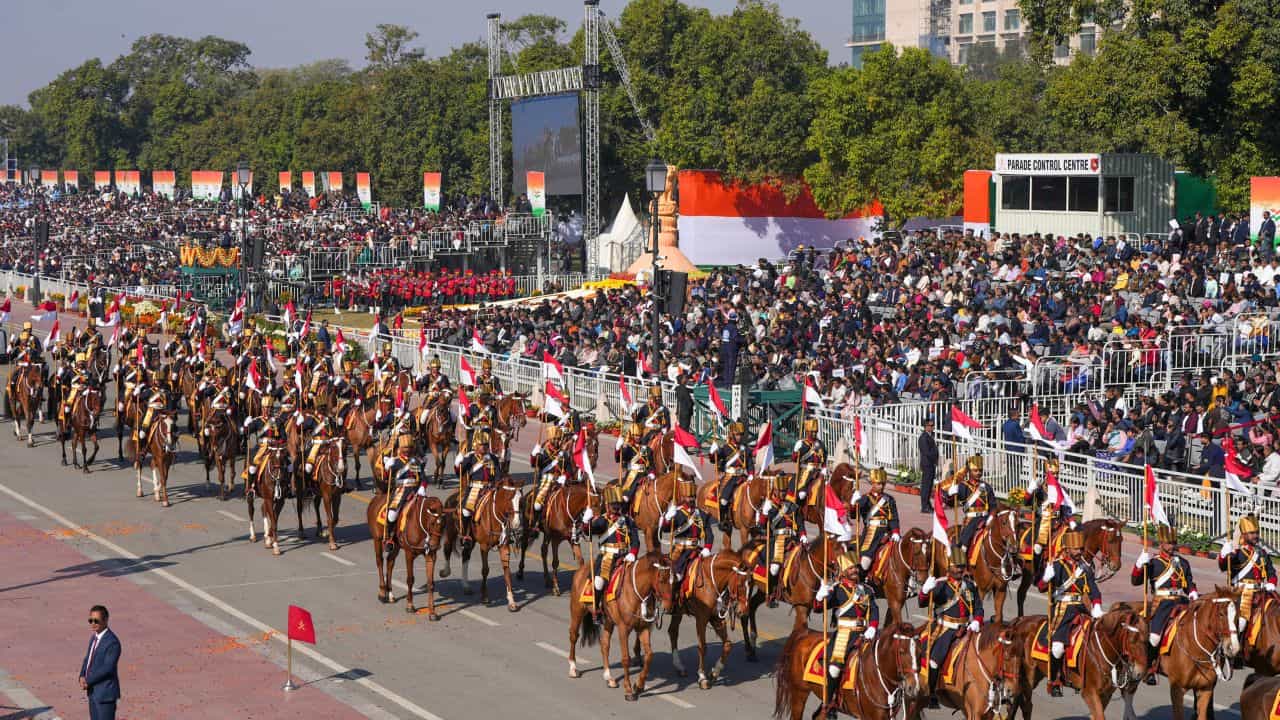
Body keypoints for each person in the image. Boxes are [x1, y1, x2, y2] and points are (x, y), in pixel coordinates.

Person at [1038, 529, 1104, 697]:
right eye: (1076, 549)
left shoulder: (1084, 568)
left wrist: (1096, 605)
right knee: (1058, 648)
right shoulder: (1057, 565)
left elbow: (1094, 589)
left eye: (1081, 549)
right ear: (1067, 549)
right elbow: (1041, 588)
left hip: (1080, 607)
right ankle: (1054, 679)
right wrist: (1046, 578)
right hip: (1062, 608)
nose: (1079, 552)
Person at [814, 553, 878, 718]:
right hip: (844, 635)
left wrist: (872, 627)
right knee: (835, 670)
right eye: (850, 568)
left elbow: (874, 611)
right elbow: (819, 608)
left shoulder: (867, 590)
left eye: (855, 567)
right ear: (843, 572)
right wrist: (820, 596)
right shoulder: (836, 589)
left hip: (865, 634)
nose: (855, 570)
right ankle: (828, 703)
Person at [1132, 525, 1198, 684]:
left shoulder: (1182, 562)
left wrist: (1192, 592)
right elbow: (1135, 581)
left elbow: (1188, 582)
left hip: (1181, 600)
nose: (1171, 546)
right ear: (1161, 544)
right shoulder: (1153, 562)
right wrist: (1139, 566)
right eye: (1168, 543)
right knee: (1154, 638)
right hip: (1161, 603)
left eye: (1173, 542)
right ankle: (1150, 667)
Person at [919, 548, 983, 708]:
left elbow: (978, 608)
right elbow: (922, 603)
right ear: (949, 566)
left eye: (962, 566)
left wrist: (977, 620)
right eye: (957, 566)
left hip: (967, 627)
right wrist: (925, 590)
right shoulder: (940, 585)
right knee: (934, 661)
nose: (960, 569)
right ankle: (931, 693)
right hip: (944, 628)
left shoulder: (969, 585)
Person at [582, 485, 640, 618]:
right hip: (607, 557)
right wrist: (586, 521)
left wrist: (633, 552)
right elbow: (588, 531)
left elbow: (635, 539)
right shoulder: (602, 521)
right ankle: (596, 609)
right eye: (614, 505)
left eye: (618, 505)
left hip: (625, 556)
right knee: (599, 582)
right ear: (608, 505)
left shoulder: (628, 521)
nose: (616, 508)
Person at [1219, 514, 1276, 632]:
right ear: (1244, 534)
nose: (1255, 535)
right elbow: (1224, 566)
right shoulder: (1236, 552)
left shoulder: (1262, 552)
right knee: (1241, 624)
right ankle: (1235, 648)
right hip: (1243, 593)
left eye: (1257, 532)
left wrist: (1271, 583)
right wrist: (1224, 555)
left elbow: (1271, 572)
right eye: (1252, 533)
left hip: (1261, 593)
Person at [662, 479, 713, 594]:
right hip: (680, 550)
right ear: (683, 497)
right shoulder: (677, 513)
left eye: (692, 497)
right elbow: (665, 530)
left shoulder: (702, 514)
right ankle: (672, 600)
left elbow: (709, 534)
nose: (691, 499)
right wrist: (668, 518)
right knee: (676, 576)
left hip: (696, 550)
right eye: (688, 497)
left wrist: (707, 548)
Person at [760, 474, 805, 604]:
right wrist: (764, 513)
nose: (783, 493)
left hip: (793, 538)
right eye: (781, 491)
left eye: (785, 491)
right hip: (779, 539)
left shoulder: (792, 506)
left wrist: (803, 535)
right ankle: (772, 593)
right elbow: (762, 526)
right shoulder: (771, 507)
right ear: (775, 491)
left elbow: (800, 523)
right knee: (774, 569)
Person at [1023, 457, 1071, 574]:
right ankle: (1037, 569)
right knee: (1038, 549)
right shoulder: (1040, 489)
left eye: (1057, 473)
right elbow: (1026, 503)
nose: (1055, 476)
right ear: (1047, 473)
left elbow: (1065, 507)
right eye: (1053, 473)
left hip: (1059, 521)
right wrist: (1030, 491)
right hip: (1043, 520)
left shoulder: (1062, 489)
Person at [852, 467, 900, 571]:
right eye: (879, 484)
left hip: (886, 532)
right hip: (871, 532)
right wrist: (854, 503)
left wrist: (895, 531)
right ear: (873, 483)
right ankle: (861, 578)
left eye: (883, 484)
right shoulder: (865, 498)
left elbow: (894, 517)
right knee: (866, 559)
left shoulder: (889, 499)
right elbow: (853, 516)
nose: (881, 486)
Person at [945, 455, 994, 556]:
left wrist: (992, 516)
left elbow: (993, 505)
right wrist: (950, 494)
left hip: (985, 519)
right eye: (975, 470)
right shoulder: (963, 486)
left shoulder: (987, 487)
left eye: (980, 470)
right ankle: (959, 563)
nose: (978, 473)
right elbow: (950, 503)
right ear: (970, 471)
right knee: (962, 542)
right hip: (970, 521)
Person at [80, 604, 121, 720]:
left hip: (105, 694)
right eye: (90, 620)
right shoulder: (94, 637)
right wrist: (82, 675)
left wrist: (88, 680)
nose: (93, 623)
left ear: (105, 620)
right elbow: (88, 658)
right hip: (93, 692)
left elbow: (108, 668)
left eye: (96, 620)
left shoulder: (113, 643)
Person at [381, 434, 423, 548]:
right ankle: (389, 537)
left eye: (409, 448)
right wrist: (386, 468)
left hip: (415, 490)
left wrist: (422, 488)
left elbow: (421, 477)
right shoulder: (395, 461)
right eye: (405, 448)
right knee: (391, 515)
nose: (407, 450)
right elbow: (385, 479)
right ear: (400, 448)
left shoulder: (415, 461)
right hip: (400, 490)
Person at [458, 430, 500, 542]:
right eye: (481, 445)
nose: (484, 447)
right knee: (466, 511)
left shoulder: (493, 458)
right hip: (475, 488)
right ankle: (465, 533)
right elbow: (460, 472)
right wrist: (459, 463)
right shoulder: (470, 457)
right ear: (476, 445)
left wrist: (496, 485)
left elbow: (498, 475)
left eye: (486, 445)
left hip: (490, 488)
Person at [712, 421, 753, 532]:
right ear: (732, 435)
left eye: (740, 434)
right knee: (724, 500)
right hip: (730, 477)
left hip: (742, 476)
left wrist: (751, 475)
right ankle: (724, 520)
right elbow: (715, 459)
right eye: (737, 435)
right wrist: (713, 452)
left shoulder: (745, 449)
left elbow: (749, 463)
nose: (739, 437)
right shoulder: (726, 448)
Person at [615, 422, 653, 505]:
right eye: (636, 435)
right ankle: (625, 500)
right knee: (626, 496)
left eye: (639, 435)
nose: (638, 437)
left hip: (644, 474)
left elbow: (651, 463)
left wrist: (651, 473)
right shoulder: (628, 448)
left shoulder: (646, 449)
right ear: (632, 436)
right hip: (632, 474)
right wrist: (618, 448)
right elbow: (619, 459)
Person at [793, 418, 827, 503]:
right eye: (812, 431)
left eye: (816, 432)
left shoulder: (820, 444)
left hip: (819, 470)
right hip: (806, 470)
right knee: (802, 494)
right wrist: (796, 451)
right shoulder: (802, 444)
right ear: (808, 431)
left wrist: (824, 468)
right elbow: (794, 459)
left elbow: (824, 458)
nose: (815, 433)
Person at [918, 418, 938, 513]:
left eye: (933, 425)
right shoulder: (923, 437)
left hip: (931, 464)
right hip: (927, 464)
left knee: (929, 486)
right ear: (926, 427)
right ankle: (924, 506)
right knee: (925, 486)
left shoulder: (930, 436)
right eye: (930, 425)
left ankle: (927, 504)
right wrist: (934, 457)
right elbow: (927, 452)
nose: (932, 427)